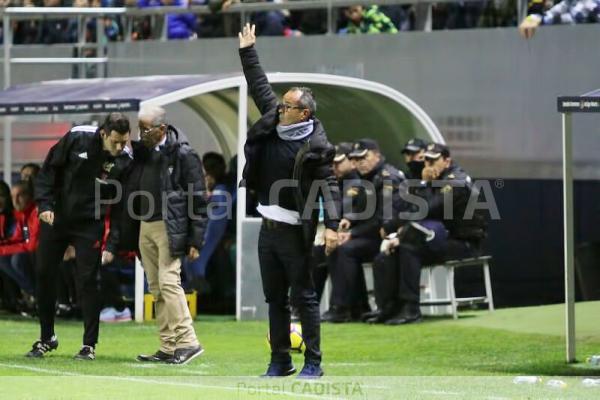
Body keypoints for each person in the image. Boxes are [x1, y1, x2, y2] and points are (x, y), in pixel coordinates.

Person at [238, 23, 340, 378]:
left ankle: (314, 362)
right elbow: (259, 85)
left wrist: (331, 226)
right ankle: (280, 360)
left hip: (295, 231)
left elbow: (330, 186)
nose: (280, 108)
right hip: (267, 229)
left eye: (288, 106)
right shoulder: (273, 120)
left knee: (305, 298)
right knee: (274, 299)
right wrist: (248, 51)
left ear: (304, 114)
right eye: (282, 104)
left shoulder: (315, 146)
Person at [26, 112, 132, 360]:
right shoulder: (77, 138)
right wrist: (44, 205)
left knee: (88, 280)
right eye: (116, 141)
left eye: (124, 141)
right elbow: (48, 170)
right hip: (57, 217)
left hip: (89, 224)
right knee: (43, 273)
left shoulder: (126, 160)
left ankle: (89, 345)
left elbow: (121, 206)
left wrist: (112, 243)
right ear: (104, 133)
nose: (120, 147)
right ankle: (46, 337)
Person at [125, 105, 207, 365]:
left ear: (161, 128)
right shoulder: (144, 153)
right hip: (146, 224)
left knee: (170, 283)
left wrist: (196, 239)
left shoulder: (183, 153)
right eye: (139, 128)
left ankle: (188, 342)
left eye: (145, 129)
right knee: (157, 288)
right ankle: (168, 345)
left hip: (171, 226)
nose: (141, 133)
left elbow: (198, 198)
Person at [377, 143, 487, 325]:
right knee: (391, 253)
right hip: (441, 238)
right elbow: (412, 206)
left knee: (409, 248)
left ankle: (411, 309)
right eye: (426, 159)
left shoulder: (456, 180)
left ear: (446, 160)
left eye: (433, 160)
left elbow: (426, 208)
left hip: (464, 243)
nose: (428, 164)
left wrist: (392, 226)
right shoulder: (434, 180)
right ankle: (390, 308)